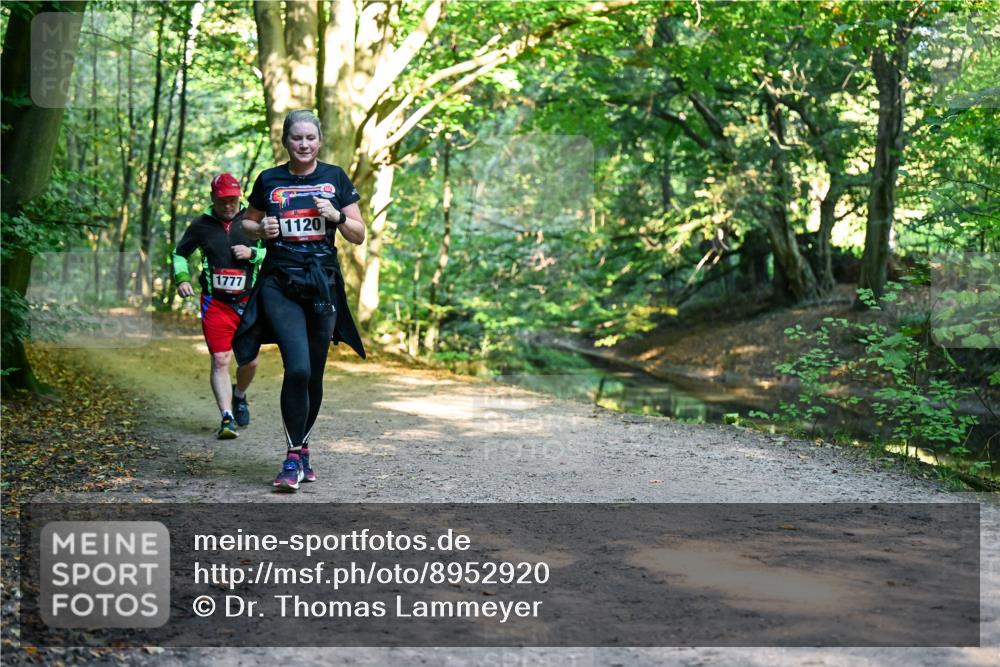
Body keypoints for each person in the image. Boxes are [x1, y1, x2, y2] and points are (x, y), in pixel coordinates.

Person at [234, 109, 366, 492]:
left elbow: (359, 234)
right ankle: (293, 457)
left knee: (315, 374)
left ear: (319, 141)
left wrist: (337, 216)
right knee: (298, 369)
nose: (304, 144)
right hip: (280, 282)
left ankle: (302, 447)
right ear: (286, 141)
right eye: (297, 138)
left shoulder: (335, 178)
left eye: (310, 138)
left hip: (322, 285)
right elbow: (246, 223)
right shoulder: (269, 179)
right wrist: (260, 228)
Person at [174, 173, 264, 439]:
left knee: (251, 361)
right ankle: (227, 417)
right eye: (223, 200)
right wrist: (182, 278)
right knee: (221, 359)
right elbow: (180, 254)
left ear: (240, 197)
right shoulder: (200, 225)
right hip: (216, 303)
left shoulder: (253, 220)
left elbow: (276, 251)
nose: (228, 205)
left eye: (233, 200)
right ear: (212, 197)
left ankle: (240, 395)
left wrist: (253, 253)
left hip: (249, 302)